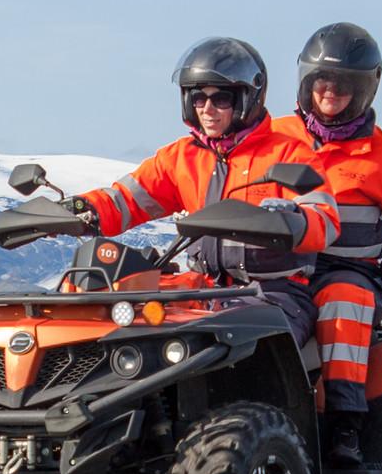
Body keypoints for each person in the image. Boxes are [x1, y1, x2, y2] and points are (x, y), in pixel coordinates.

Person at [67, 37, 340, 345]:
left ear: (248, 99)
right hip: (203, 290)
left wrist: (290, 219)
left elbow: (324, 221)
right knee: (124, 329)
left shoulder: (289, 153)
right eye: (198, 98)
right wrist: (79, 210)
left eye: (221, 98)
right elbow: (125, 200)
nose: (208, 109)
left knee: (225, 339)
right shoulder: (180, 157)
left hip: (275, 294)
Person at [271, 22, 382, 468]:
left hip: (349, 271)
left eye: (345, 84)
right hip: (277, 269)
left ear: (365, 90)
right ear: (306, 82)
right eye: (323, 81)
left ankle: (345, 423)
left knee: (344, 302)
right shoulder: (275, 137)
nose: (331, 91)